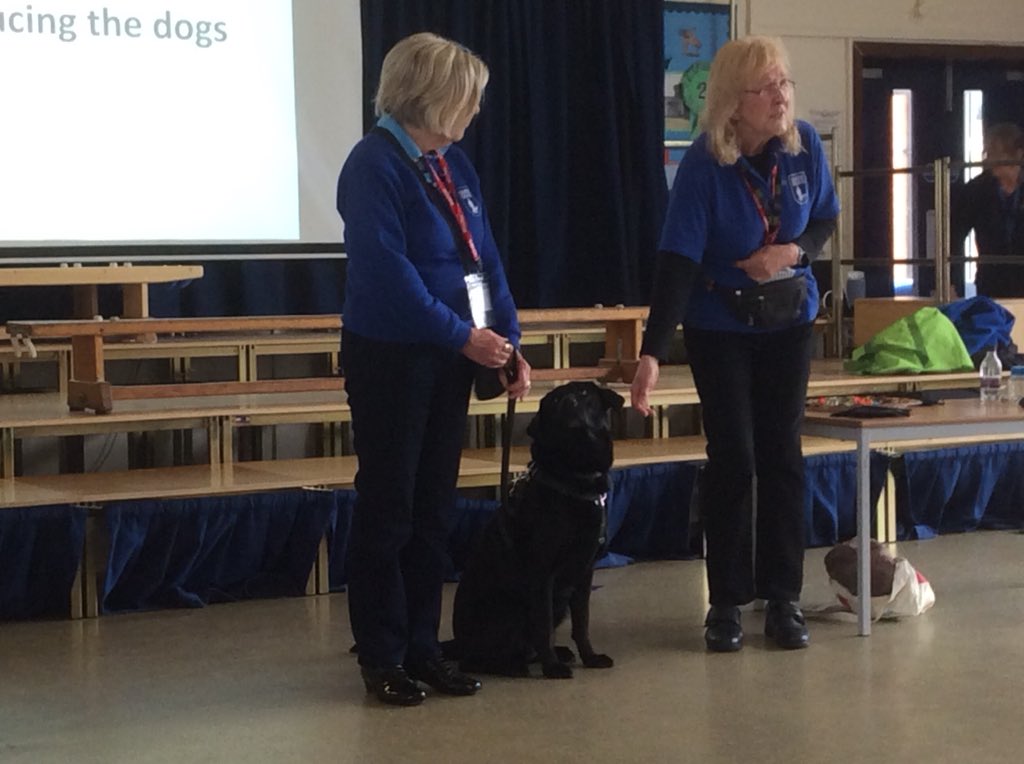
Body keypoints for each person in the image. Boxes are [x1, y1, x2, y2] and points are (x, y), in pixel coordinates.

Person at [336, 32, 531, 706]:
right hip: (392, 358)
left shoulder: (452, 164)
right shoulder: (373, 165)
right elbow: (388, 277)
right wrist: (463, 337)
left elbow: (484, 259)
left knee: (433, 512)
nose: (476, 110)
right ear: (435, 95)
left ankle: (424, 646)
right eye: (468, 97)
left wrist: (508, 339)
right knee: (389, 509)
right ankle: (383, 655)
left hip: (452, 353)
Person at [631, 36, 838, 652]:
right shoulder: (705, 164)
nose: (781, 96)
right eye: (765, 87)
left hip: (788, 319)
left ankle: (783, 598)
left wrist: (791, 252)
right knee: (734, 457)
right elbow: (677, 262)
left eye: (784, 83)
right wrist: (651, 351)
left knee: (782, 455)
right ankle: (724, 601)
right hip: (719, 324)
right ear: (732, 102)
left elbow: (824, 219)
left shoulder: (805, 146)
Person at [952, 122, 1024, 298]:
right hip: (991, 281)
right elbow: (954, 235)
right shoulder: (976, 189)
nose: (993, 160)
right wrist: (952, 281)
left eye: (1000, 154)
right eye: (989, 153)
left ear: (1018, 154)